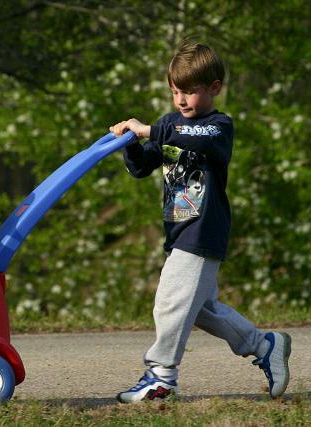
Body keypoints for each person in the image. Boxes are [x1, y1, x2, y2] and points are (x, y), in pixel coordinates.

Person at [109, 40, 291, 403]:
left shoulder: (218, 127)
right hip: (179, 231)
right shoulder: (168, 124)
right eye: (175, 91)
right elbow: (142, 166)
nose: (181, 100)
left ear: (214, 88)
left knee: (170, 303)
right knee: (201, 310)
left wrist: (148, 130)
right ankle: (264, 345)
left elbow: (193, 138)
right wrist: (130, 143)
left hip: (203, 230)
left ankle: (161, 376)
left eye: (189, 92)